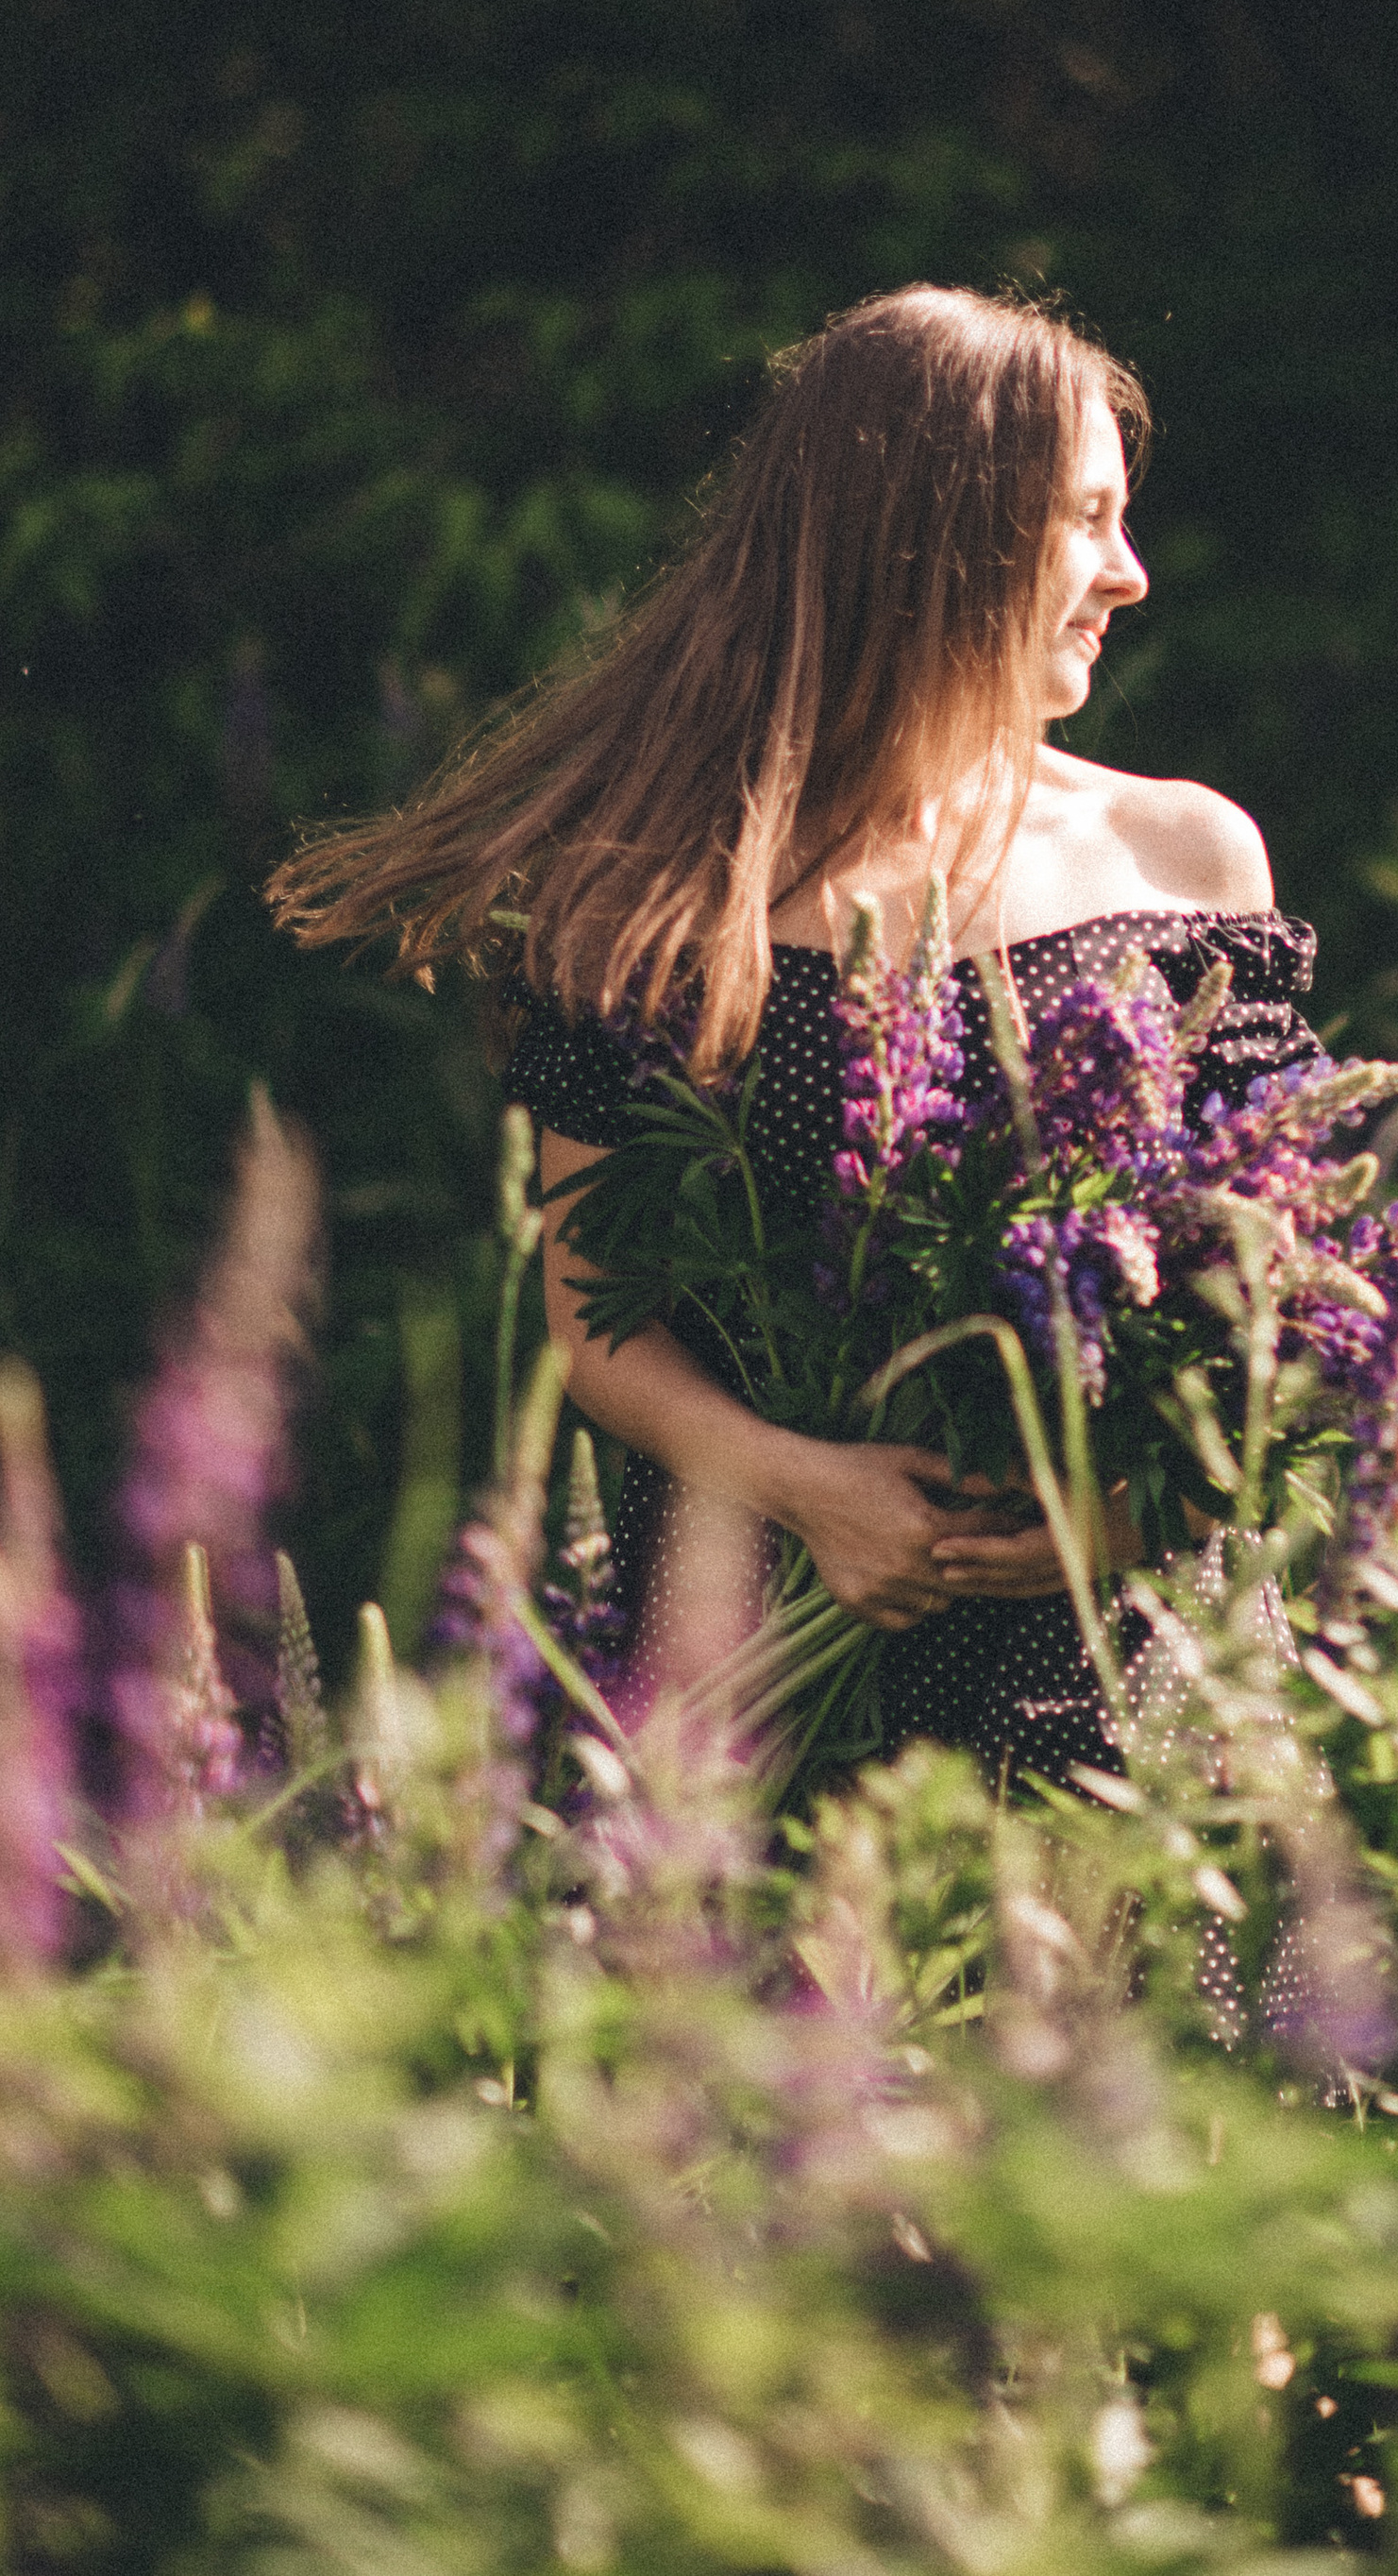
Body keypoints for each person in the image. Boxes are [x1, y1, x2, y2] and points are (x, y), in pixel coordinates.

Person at [268, 285, 1324, 1781]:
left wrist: (1146, 1502)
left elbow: (1280, 1272)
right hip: (766, 1679)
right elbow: (599, 1324)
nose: (1131, 573)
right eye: (1088, 519)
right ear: (943, 533)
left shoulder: (1187, 862)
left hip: (1134, 1696)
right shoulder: (662, 894)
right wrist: (814, 1490)